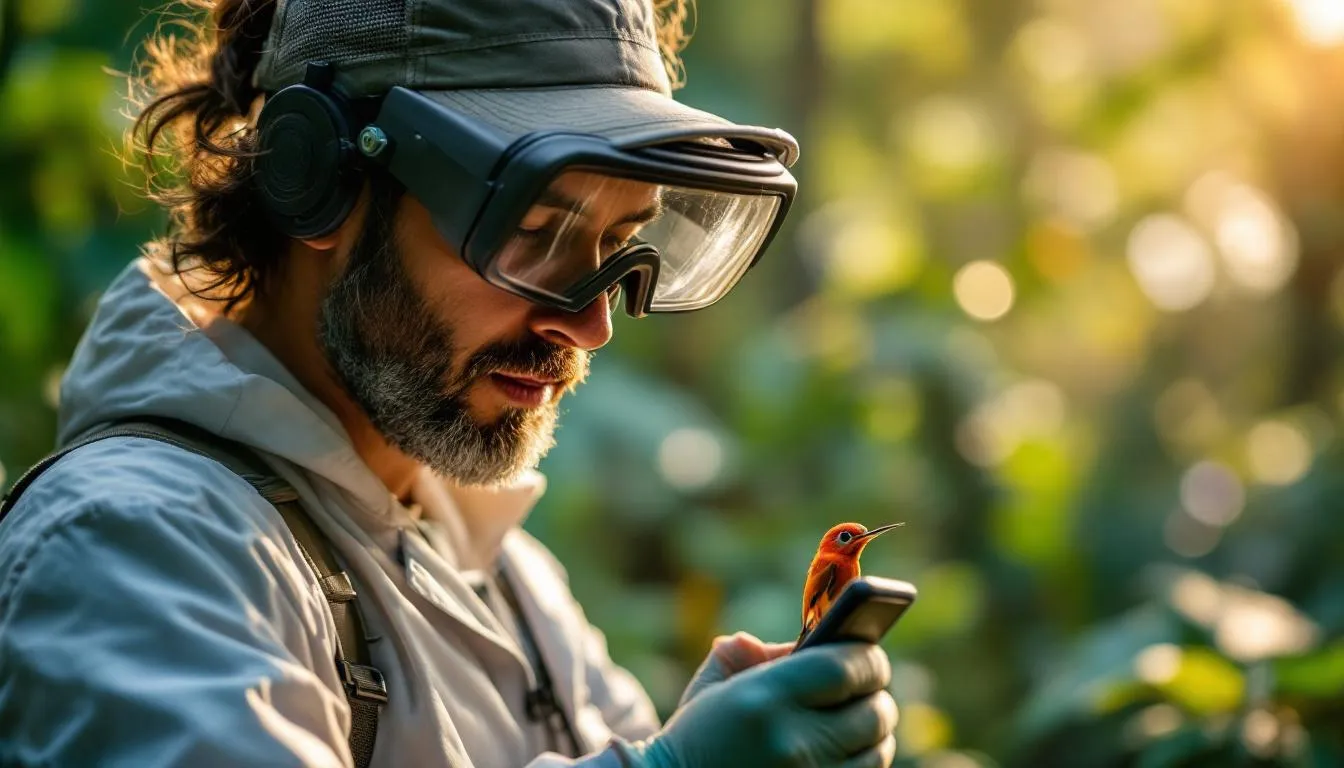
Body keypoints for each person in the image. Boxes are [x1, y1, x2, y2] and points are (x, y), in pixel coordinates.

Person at [0, 0, 900, 765]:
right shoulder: (131, 550)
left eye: (618, 247)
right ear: (312, 178)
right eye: (537, 232)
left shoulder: (509, 577)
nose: (589, 323)